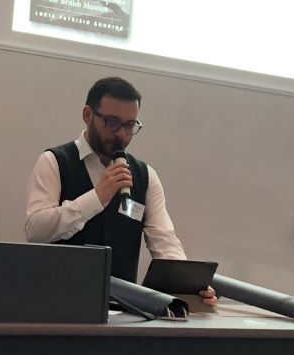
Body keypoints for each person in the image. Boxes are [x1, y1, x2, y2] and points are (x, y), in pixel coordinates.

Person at [25, 75, 215, 304]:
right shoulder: (54, 161)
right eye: (112, 123)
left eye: (129, 125)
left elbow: (164, 241)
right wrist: (96, 198)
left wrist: (188, 284)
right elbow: (35, 230)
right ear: (88, 115)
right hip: (55, 303)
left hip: (120, 311)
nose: (121, 134)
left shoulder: (145, 175)